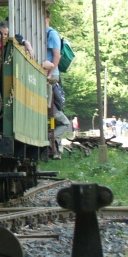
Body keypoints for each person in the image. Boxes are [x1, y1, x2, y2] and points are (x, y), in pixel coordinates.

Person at [45, 10, 70, 156]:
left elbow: (56, 55)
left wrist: (49, 73)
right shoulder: (41, 33)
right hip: (47, 74)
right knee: (50, 114)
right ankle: (53, 144)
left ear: (47, 18)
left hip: (51, 75)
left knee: (50, 111)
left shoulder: (52, 34)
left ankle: (51, 140)